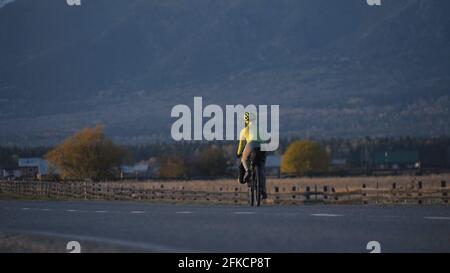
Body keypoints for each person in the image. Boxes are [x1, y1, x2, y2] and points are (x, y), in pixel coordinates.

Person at [237, 112, 267, 199]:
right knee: (261, 168)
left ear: (246, 120)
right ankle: (263, 191)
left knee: (244, 159)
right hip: (262, 146)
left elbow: (241, 145)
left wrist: (239, 153)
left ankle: (248, 171)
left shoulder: (244, 130)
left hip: (251, 144)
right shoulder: (261, 128)